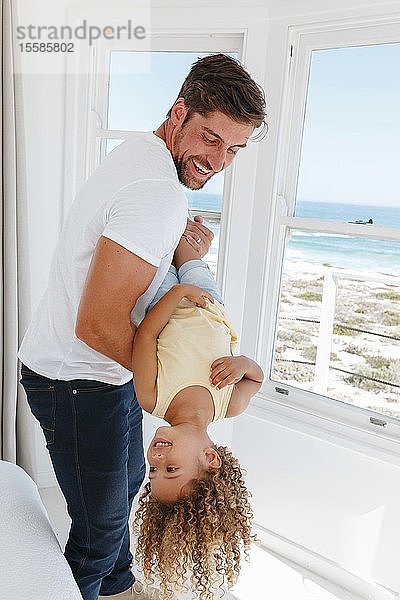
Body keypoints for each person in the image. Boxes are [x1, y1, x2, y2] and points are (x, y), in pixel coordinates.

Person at [18, 53, 266, 600]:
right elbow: (98, 326)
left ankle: (120, 589)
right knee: (100, 536)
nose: (217, 160)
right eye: (209, 137)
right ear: (178, 113)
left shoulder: (142, 152)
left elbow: (138, 295)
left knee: (131, 485)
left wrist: (184, 264)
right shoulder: (158, 192)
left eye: (233, 149)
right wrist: (174, 380)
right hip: (80, 380)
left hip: (104, 376)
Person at [132, 236, 264, 600]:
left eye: (154, 471)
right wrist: (243, 364)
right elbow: (257, 378)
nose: (156, 461)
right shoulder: (230, 405)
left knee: (158, 241)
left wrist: (176, 295)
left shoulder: (150, 397)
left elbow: (144, 337)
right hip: (209, 301)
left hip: (163, 300)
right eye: (170, 469)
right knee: (186, 242)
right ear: (209, 458)